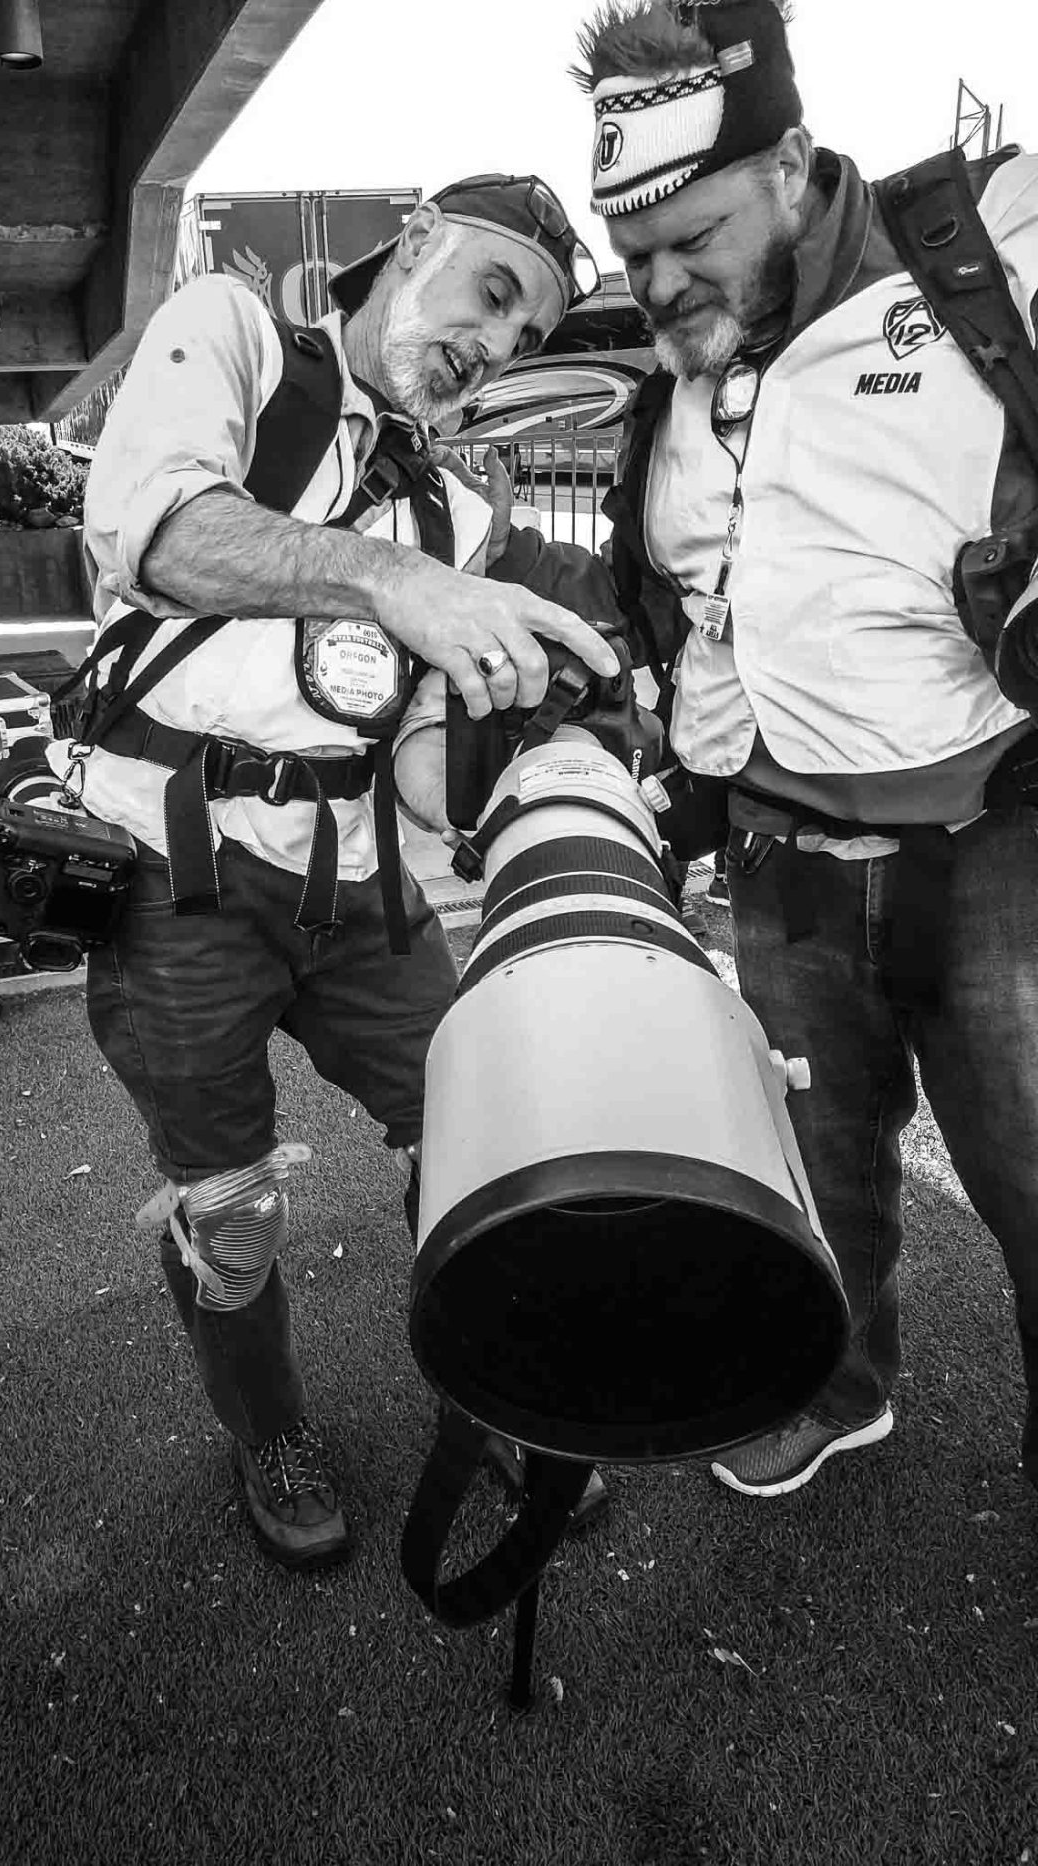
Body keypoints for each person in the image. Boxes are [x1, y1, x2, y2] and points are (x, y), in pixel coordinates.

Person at [469, 0, 1038, 1499]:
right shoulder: (675, 383)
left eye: (690, 236)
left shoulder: (984, 260)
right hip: (781, 857)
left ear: (790, 162)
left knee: (1037, 1168)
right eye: (628, 243)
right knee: (815, 1161)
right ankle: (842, 1384)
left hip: (996, 844)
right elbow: (684, 602)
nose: (655, 281)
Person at [47, 176, 624, 1569]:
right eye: (491, 291)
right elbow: (158, 531)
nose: (497, 341)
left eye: (526, 330)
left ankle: (493, 1390)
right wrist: (391, 583)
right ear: (415, 240)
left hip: (355, 884)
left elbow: (419, 759)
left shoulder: (456, 519)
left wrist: (544, 786)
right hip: (171, 879)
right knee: (231, 1210)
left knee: (486, 1131)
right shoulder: (235, 335)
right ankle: (269, 1428)